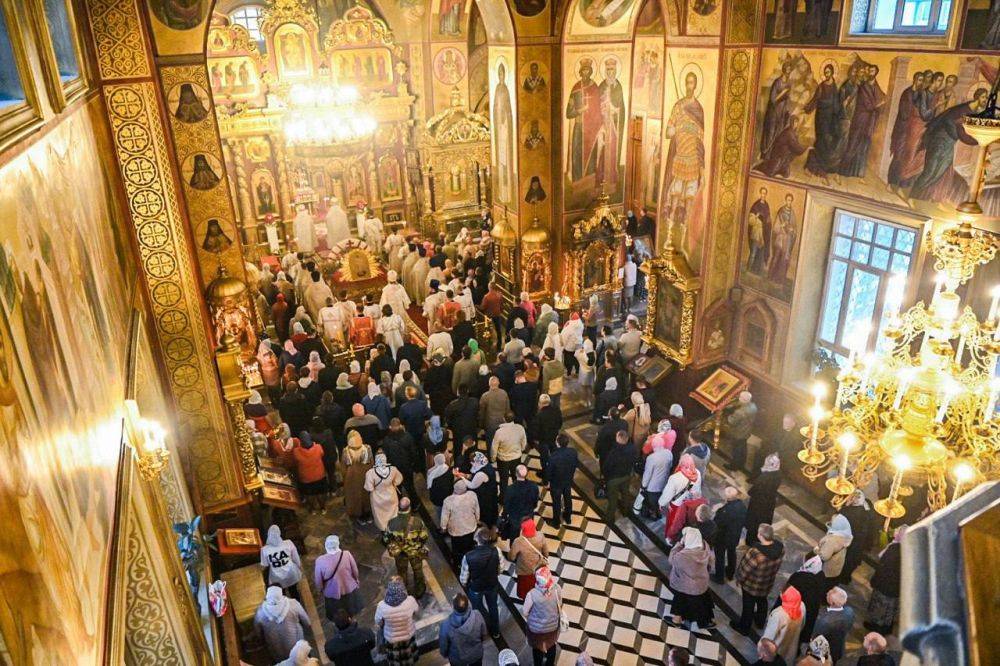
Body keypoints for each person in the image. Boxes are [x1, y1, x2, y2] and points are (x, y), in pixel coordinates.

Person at [732, 524, 785, 635]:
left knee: (748, 605)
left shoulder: (755, 553)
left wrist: (739, 579)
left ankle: (744, 628)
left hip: (751, 585)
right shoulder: (780, 548)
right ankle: (760, 622)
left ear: (760, 535)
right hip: (767, 582)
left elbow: (745, 569)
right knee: (762, 601)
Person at [668, 526, 715, 629]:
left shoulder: (683, 556)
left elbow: (671, 559)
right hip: (701, 583)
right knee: (701, 602)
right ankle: (679, 619)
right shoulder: (705, 546)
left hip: (684, 583)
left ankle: (679, 620)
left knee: (682, 600)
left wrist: (679, 544)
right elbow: (711, 562)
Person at [459, 527, 502, 638]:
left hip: (476, 587)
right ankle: (496, 631)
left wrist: (465, 584)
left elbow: (463, 578)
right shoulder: (496, 551)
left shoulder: (468, 556)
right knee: (493, 607)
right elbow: (501, 569)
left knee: (477, 609)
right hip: (492, 584)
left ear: (477, 540)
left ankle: (481, 631)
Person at [385, 497, 430, 598]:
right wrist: (416, 546)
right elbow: (424, 537)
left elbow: (386, 539)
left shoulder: (391, 523)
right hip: (415, 552)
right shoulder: (418, 522)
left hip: (400, 554)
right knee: (418, 571)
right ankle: (420, 591)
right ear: (409, 507)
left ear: (398, 508)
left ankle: (403, 589)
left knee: (402, 572)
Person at [865, 525, 905, 635]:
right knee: (889, 610)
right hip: (895, 588)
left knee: (880, 609)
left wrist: (875, 581)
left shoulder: (894, 549)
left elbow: (883, 566)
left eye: (897, 531)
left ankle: (876, 629)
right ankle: (885, 628)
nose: (895, 532)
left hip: (885, 586)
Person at [314, 535, 363, 620]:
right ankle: (350, 619)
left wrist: (320, 589)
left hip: (332, 592)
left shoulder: (320, 560)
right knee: (350, 606)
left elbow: (318, 580)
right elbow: (355, 570)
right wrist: (356, 579)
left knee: (336, 612)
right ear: (338, 544)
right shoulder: (346, 554)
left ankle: (340, 622)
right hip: (348, 587)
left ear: (326, 546)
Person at [375, 577, 420, 665]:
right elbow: (416, 610)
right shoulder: (410, 601)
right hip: (407, 636)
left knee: (395, 661)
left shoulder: (382, 606)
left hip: (391, 639)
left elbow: (378, 621)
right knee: (409, 656)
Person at [523, 566, 563, 666]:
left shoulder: (532, 594)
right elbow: (560, 604)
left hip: (536, 630)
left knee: (537, 649)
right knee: (551, 645)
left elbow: (525, 612)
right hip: (553, 627)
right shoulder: (557, 589)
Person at [659, 454, 702, 542]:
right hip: (688, 503)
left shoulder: (675, 478)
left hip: (677, 504)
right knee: (682, 520)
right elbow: (697, 490)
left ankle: (669, 537)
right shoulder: (697, 473)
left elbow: (668, 494)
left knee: (672, 521)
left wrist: (661, 503)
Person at [439, 592, 488, 666]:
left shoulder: (446, 625)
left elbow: (444, 645)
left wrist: (445, 654)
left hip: (457, 659)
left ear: (453, 607)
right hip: (476, 654)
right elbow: (484, 633)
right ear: (468, 605)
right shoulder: (477, 615)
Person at [838, 489, 875, 585]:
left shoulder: (850, 512)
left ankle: (840, 576)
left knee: (845, 561)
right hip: (859, 543)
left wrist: (845, 505)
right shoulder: (868, 506)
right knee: (851, 562)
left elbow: (840, 517)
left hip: (849, 541)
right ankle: (845, 578)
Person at [441, 479, 480, 566]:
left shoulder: (448, 500)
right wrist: (477, 520)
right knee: (469, 546)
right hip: (470, 526)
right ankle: (470, 561)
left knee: (457, 548)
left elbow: (445, 516)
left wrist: (443, 527)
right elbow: (477, 509)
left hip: (456, 530)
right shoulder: (472, 495)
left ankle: (458, 563)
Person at [745, 453, 783, 544]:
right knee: (764, 520)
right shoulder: (778, 474)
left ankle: (750, 541)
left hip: (758, 502)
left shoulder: (764, 477)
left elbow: (754, 490)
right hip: (769, 501)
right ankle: (760, 539)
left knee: (754, 522)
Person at [712, 486, 748, 582]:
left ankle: (719, 577)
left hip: (723, 537)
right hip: (735, 536)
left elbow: (717, 522)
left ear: (727, 497)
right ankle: (730, 573)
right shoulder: (742, 506)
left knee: (720, 556)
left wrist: (717, 511)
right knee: (732, 554)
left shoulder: (725, 511)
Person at [763, 586, 806, 665]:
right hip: (791, 645)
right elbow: (802, 625)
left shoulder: (778, 614)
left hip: (776, 649)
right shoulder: (802, 606)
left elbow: (769, 637)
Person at [508, 517, 549, 599]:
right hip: (538, 568)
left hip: (524, 571)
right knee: (539, 587)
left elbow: (511, 557)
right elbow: (546, 553)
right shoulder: (540, 536)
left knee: (525, 591)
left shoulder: (518, 541)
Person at [812, 586, 854, 664]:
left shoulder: (824, 621)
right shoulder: (850, 611)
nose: (827, 593)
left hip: (825, 651)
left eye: (828, 595)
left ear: (832, 603)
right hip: (838, 647)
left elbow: (817, 639)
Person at [602, 429, 636, 523]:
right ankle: (626, 512)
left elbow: (606, 467)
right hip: (626, 475)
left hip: (614, 479)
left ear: (618, 438)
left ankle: (610, 518)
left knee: (613, 498)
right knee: (625, 493)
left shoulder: (614, 452)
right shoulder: (632, 448)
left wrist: (606, 478)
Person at [364, 453, 403, 532]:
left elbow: (369, 488)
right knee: (393, 512)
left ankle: (384, 529)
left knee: (380, 515)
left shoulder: (370, 473)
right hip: (391, 494)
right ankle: (393, 527)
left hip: (378, 498)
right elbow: (399, 479)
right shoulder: (393, 469)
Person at [260, 525, 303, 595]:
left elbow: (265, 564)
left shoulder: (264, 550)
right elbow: (296, 558)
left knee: (281, 593)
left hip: (277, 577)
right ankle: (296, 603)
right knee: (294, 591)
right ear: (279, 533)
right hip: (290, 573)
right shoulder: (288, 543)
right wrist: (299, 567)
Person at [341, 431, 373, 526]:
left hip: (352, 478)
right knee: (367, 495)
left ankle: (360, 516)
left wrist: (345, 479)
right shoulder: (367, 448)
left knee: (355, 497)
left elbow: (343, 468)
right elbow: (372, 463)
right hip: (366, 475)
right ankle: (368, 514)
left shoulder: (346, 451)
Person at [547, 433, 578, 528]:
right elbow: (575, 464)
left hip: (556, 483)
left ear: (558, 443)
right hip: (568, 479)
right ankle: (568, 517)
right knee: (568, 497)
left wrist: (548, 480)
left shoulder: (553, 456)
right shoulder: (573, 452)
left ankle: (556, 522)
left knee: (556, 502)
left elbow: (549, 472)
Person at [815, 514, 853, 589]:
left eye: (833, 522)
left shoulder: (832, 540)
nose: (830, 522)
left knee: (821, 585)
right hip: (837, 566)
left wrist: (816, 550)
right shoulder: (846, 534)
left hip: (827, 569)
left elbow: (824, 556)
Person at [501, 465, 539, 539]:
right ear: (527, 474)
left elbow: (507, 505)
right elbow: (535, 502)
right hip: (529, 516)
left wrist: (504, 516)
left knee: (514, 538)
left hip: (515, 518)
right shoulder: (534, 486)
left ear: (515, 474)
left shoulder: (510, 489)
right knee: (528, 537)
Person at [491, 413, 527, 491]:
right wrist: (521, 449)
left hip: (503, 459)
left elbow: (494, 447)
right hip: (516, 458)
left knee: (503, 480)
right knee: (517, 478)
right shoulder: (520, 428)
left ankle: (503, 499)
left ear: (504, 419)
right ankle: (517, 494)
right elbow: (524, 442)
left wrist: (493, 458)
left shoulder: (499, 432)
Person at [640, 435, 672, 519]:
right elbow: (670, 466)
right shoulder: (669, 453)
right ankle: (659, 513)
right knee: (660, 500)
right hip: (664, 483)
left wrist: (643, 485)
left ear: (654, 446)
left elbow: (647, 474)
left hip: (653, 486)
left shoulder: (651, 458)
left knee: (651, 502)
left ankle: (653, 515)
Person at [725, 391, 758, 471]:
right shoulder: (753, 406)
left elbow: (731, 421)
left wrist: (728, 414)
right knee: (743, 448)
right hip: (747, 431)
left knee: (736, 450)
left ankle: (733, 466)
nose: (738, 398)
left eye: (740, 397)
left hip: (738, 433)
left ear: (744, 400)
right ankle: (741, 464)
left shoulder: (739, 412)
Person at [466, 451, 499, 527]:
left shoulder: (481, 473)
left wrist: (461, 477)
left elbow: (472, 485)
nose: (471, 464)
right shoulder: (484, 464)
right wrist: (466, 475)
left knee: (486, 516)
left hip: (485, 497)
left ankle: (486, 531)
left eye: (472, 462)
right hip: (491, 492)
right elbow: (474, 476)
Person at [534, 394, 562, 479]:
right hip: (554, 437)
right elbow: (560, 423)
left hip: (544, 440)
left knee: (544, 458)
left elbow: (536, 430)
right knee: (554, 454)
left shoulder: (539, 415)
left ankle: (545, 474)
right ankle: (555, 471)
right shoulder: (556, 410)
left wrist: (536, 438)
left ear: (540, 403)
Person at [479, 376, 510, 444]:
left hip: (490, 424)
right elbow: (508, 409)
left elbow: (482, 413)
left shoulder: (485, 396)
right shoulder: (504, 393)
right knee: (501, 443)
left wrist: (480, 425)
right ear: (498, 383)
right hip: (502, 423)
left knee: (491, 443)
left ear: (489, 384)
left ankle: (491, 454)